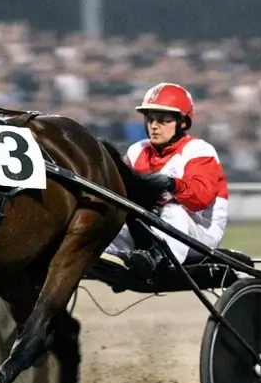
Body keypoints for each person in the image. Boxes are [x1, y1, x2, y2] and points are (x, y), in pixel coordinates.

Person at [99, 83, 231, 275]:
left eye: (163, 121)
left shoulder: (199, 150)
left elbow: (201, 199)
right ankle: (100, 255)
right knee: (111, 218)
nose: (154, 126)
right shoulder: (137, 150)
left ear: (183, 123)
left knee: (172, 210)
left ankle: (160, 259)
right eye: (150, 119)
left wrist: (172, 184)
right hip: (152, 225)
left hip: (200, 231)